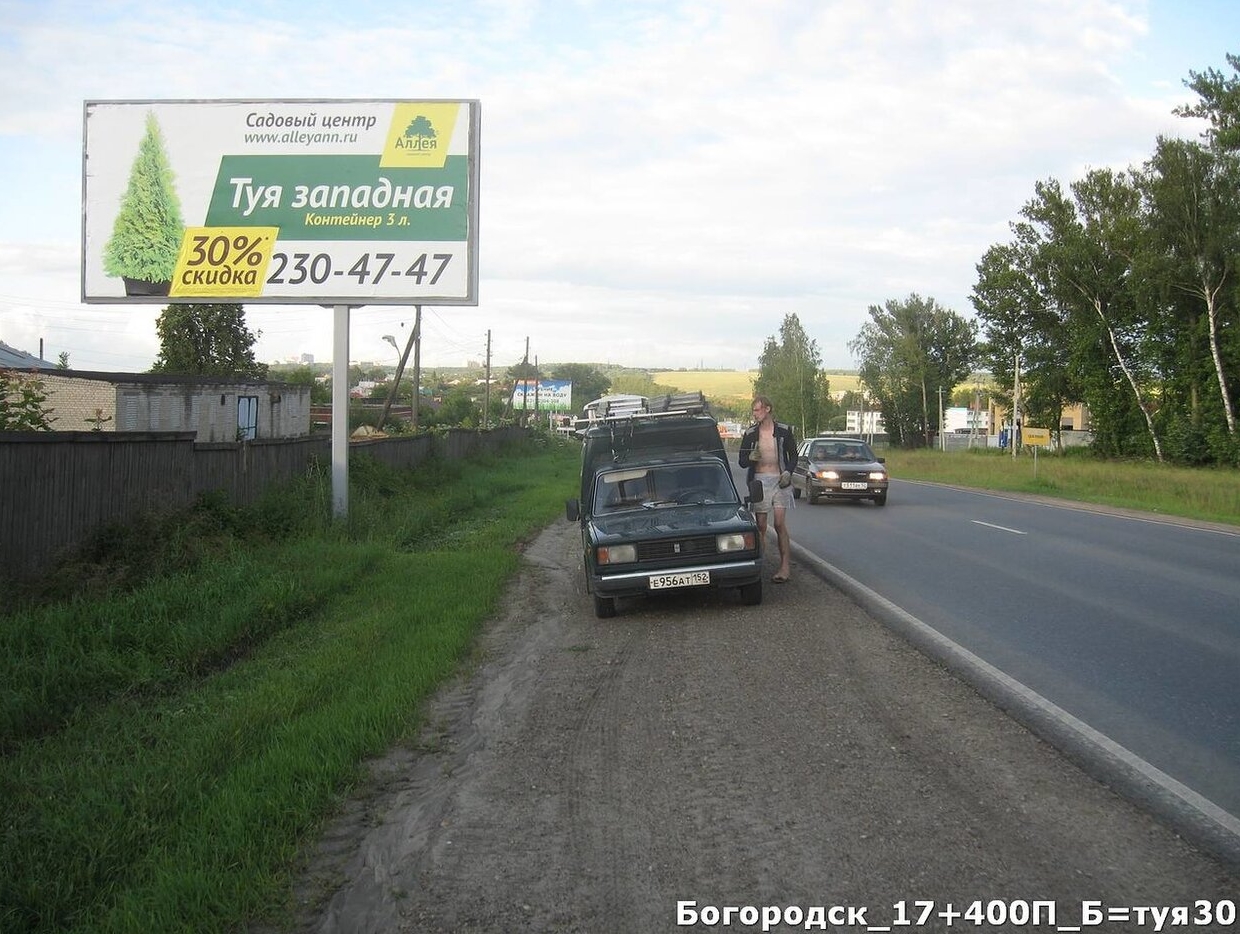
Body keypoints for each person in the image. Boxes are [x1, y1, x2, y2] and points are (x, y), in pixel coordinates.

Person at [738, 395, 797, 582]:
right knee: (761, 525)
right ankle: (758, 566)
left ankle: (785, 567)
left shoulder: (784, 431)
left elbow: (794, 456)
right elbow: (741, 461)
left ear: (767, 409)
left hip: (780, 480)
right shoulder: (750, 433)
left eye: (757, 410)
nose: (754, 414)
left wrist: (788, 472)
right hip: (759, 480)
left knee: (779, 523)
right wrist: (750, 458)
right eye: (753, 411)